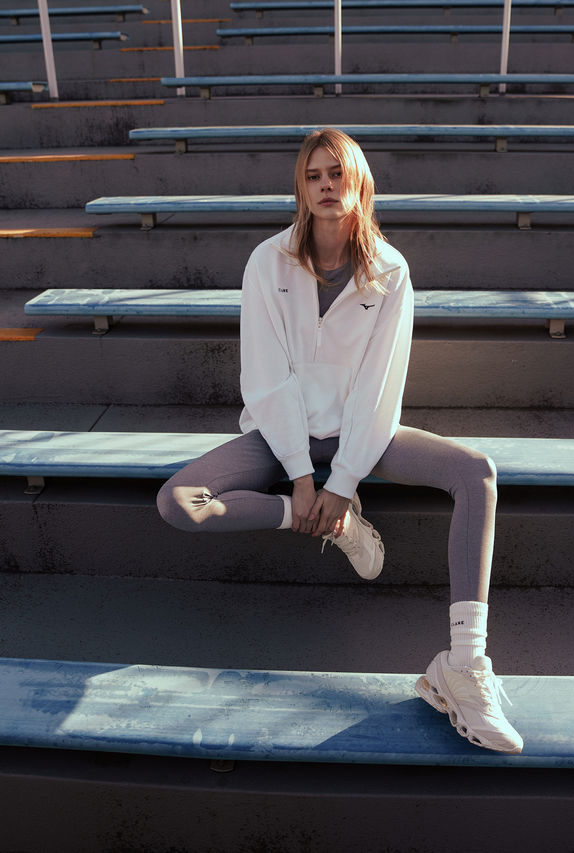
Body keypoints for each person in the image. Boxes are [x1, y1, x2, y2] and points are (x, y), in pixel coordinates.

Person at [157, 128, 523, 755]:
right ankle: (334, 523)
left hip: (363, 435)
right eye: (314, 176)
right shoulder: (267, 261)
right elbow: (265, 378)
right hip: (282, 436)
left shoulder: (390, 270)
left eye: (337, 174)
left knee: (477, 473)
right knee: (178, 501)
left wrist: (344, 478)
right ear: (301, 188)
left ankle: (463, 665)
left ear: (359, 184)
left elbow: (380, 389)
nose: (326, 186)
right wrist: (304, 483)